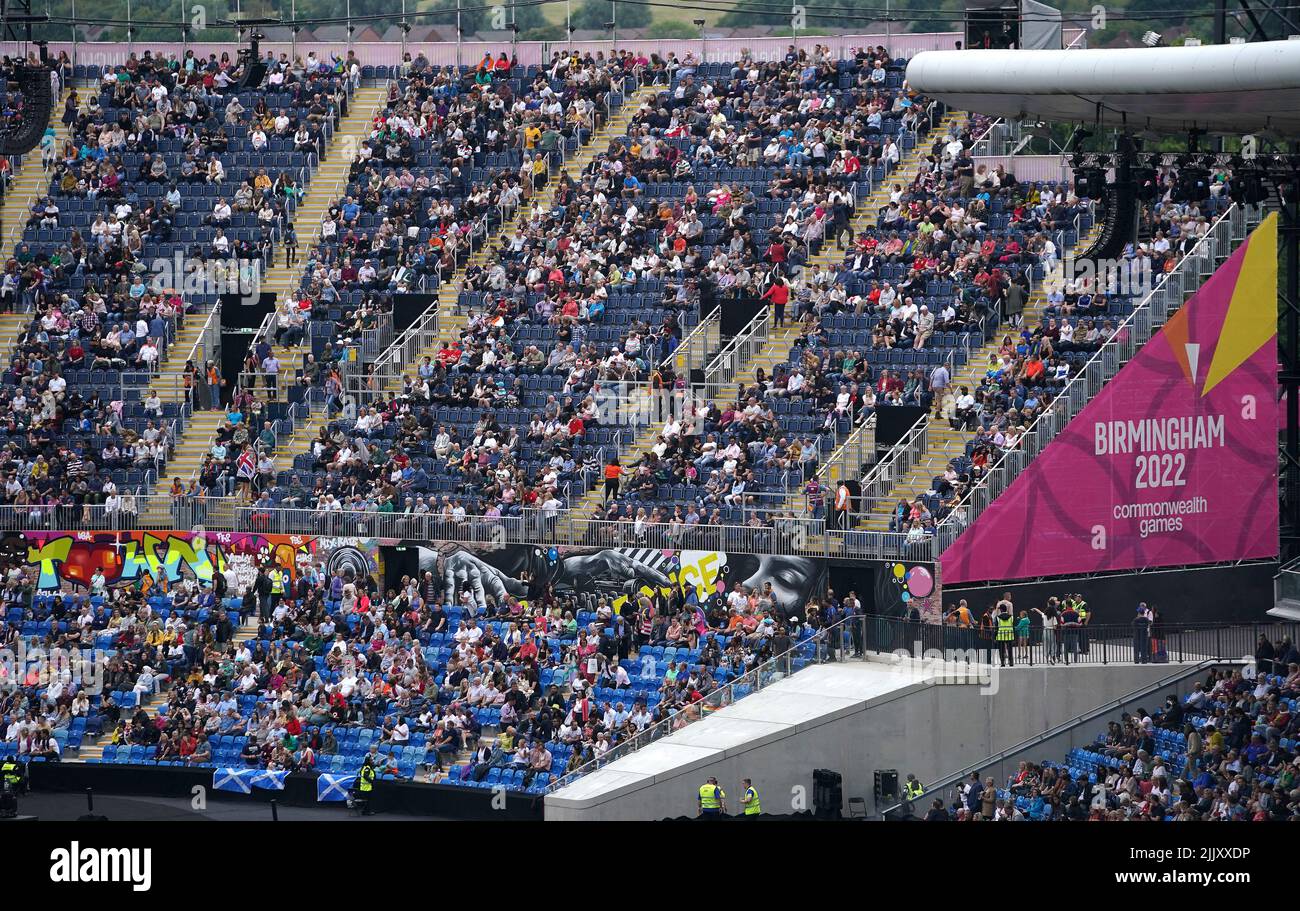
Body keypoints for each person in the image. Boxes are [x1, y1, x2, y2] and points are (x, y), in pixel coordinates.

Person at [995, 593, 1014, 668]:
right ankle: (1011, 662)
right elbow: (1011, 620)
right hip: (1009, 634)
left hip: (1001, 635)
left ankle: (1002, 662)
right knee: (1010, 649)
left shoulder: (998, 604)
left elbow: (996, 625)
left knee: (1001, 649)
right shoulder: (1011, 616)